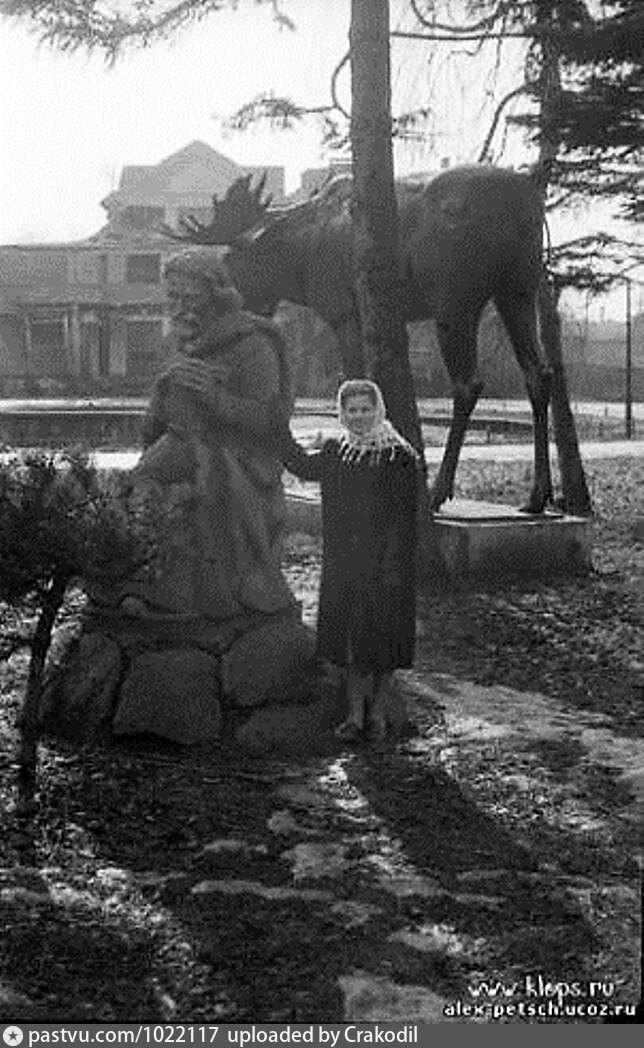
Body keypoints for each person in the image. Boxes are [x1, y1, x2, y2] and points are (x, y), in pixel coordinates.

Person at [118, 247, 295, 622]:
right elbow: (153, 430)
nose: (179, 308)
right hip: (183, 446)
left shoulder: (252, 344)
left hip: (237, 460)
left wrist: (216, 398)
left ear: (216, 296)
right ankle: (145, 585)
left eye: (190, 298)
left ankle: (174, 595)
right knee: (135, 484)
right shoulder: (182, 344)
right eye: (173, 298)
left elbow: (271, 420)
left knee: (180, 484)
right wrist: (162, 392)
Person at [278, 378, 420, 741]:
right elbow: (301, 465)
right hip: (346, 565)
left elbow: (406, 517)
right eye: (352, 410)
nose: (359, 417)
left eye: (365, 409)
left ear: (378, 410)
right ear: (342, 414)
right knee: (351, 645)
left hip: (388, 566)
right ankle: (355, 717)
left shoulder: (398, 457)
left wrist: (393, 565)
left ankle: (378, 713)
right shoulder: (336, 453)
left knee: (385, 645)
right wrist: (275, 428)